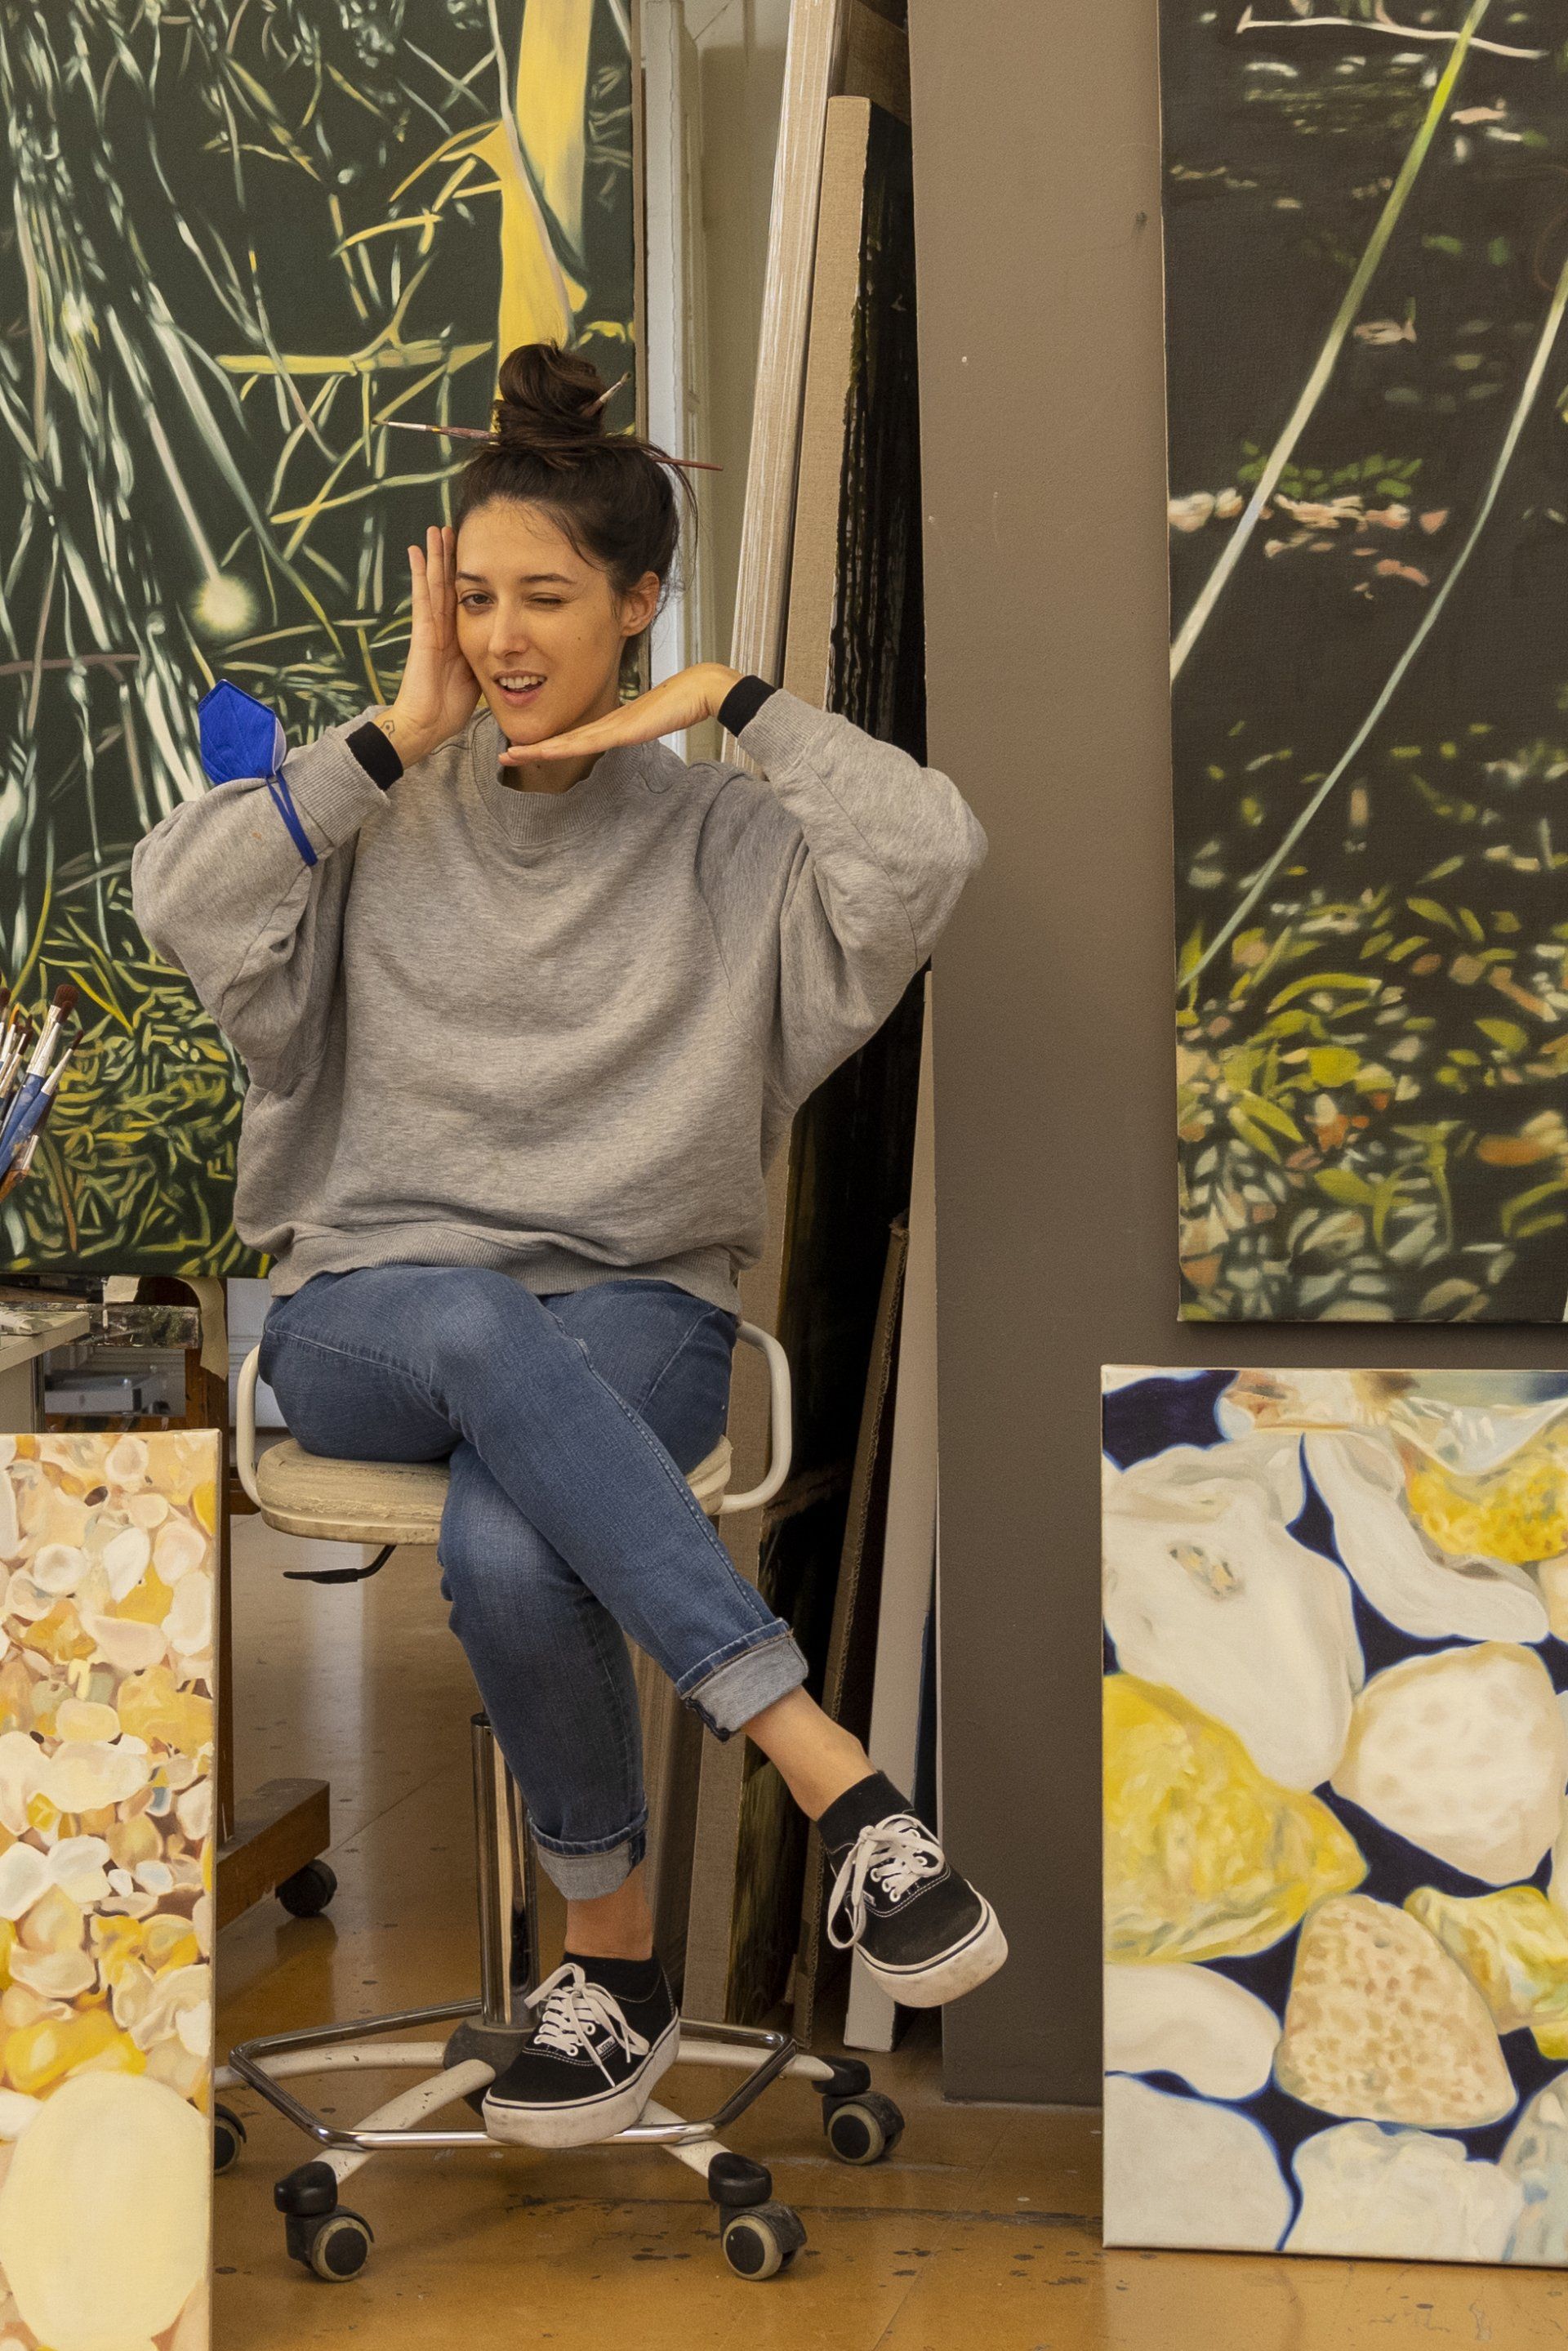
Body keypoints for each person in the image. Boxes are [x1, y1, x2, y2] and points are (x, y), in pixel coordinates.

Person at [132, 341, 1001, 2152]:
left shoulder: (729, 843)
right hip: (373, 1314)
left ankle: (608, 1963)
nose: (505, 636)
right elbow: (177, 896)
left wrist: (738, 702)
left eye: (545, 596)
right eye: (475, 597)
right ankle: (831, 1768)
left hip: (635, 1308)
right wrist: (395, 731)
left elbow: (928, 850)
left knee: (511, 1534)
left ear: (638, 602)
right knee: (465, 1316)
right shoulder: (374, 806)